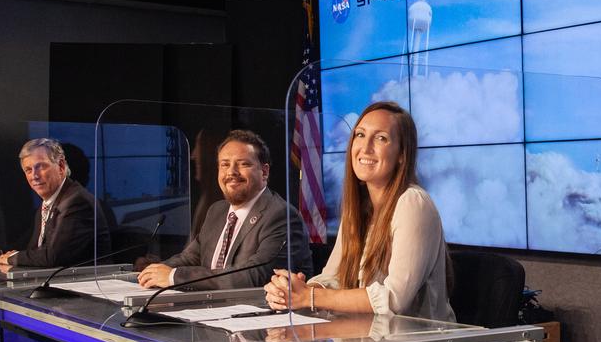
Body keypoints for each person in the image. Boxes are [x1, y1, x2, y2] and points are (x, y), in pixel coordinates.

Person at [263, 101, 454, 321]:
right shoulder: (358, 207)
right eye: (360, 135)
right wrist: (295, 290)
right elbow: (334, 277)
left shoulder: (412, 202)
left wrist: (310, 297)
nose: (365, 147)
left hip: (418, 340)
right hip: (366, 336)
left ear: (402, 153)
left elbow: (393, 299)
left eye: (381, 138)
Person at [137, 130, 313, 290]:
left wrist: (174, 277)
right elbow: (190, 258)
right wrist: (154, 272)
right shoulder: (217, 211)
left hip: (254, 311)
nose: (231, 172)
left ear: (264, 172)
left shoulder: (281, 216)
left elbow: (255, 276)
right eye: (225, 164)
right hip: (208, 305)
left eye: (243, 164)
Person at [0, 138, 109, 269]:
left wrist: (11, 258)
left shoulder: (77, 201)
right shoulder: (46, 205)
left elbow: (52, 256)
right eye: (28, 170)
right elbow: (33, 251)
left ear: (61, 166)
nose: (34, 176)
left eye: (41, 167)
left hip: (88, 280)